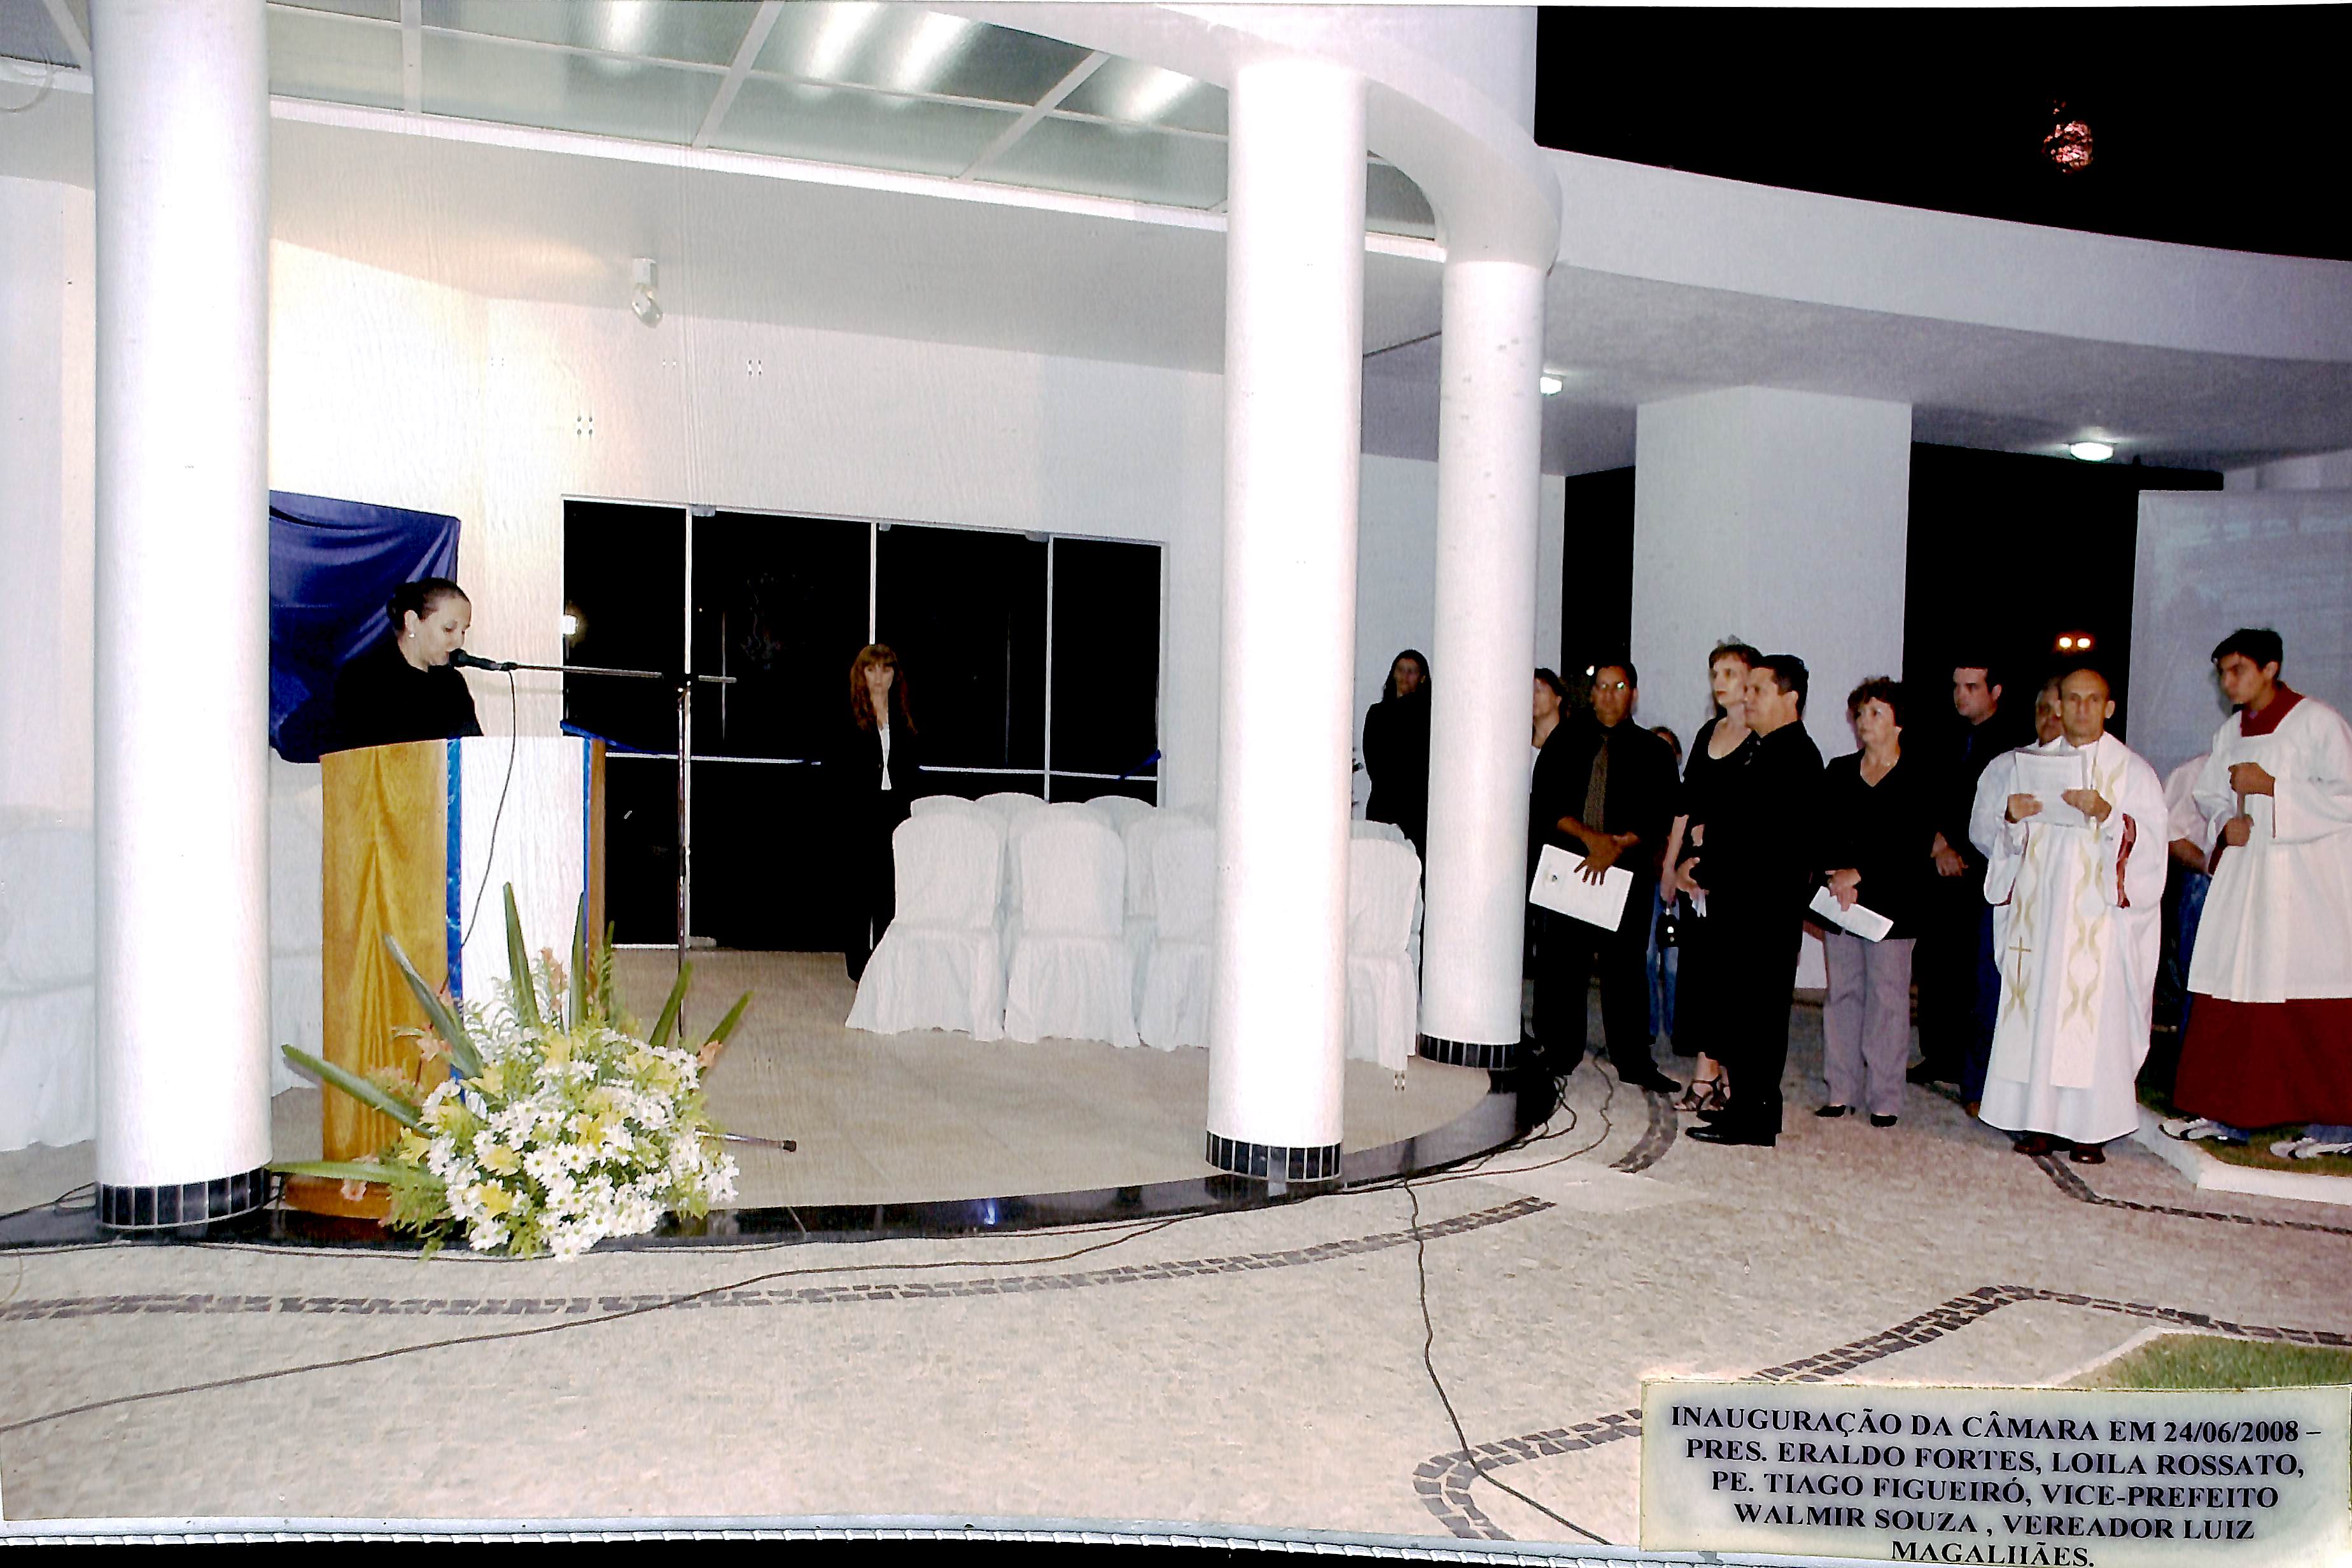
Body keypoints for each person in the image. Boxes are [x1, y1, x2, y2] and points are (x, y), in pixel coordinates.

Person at [2165, 630, 2352, 1159]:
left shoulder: (2317, 723)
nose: (2228, 683)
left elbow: (2347, 796)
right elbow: (2210, 794)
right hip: (2249, 883)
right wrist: (2226, 823)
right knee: (2234, 985)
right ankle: (2231, 1113)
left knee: (2312, 997)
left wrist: (2273, 788)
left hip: (2307, 884)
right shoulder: (2232, 731)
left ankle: (2337, 1126)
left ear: (2271, 668)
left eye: (2238, 671)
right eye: (2222, 673)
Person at [1968, 666, 2166, 1164]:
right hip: (2039, 917)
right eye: (2071, 699)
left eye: (2091, 699)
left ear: (2108, 708)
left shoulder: (2133, 773)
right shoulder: (2032, 765)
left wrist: (2107, 815)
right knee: (2037, 1016)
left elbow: (2151, 851)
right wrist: (2012, 818)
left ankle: (2089, 1130)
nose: (2080, 709)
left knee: (2092, 1023)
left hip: (2098, 923)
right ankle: (2038, 1121)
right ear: (2058, 706)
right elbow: (1999, 842)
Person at [1686, 654, 1823, 1147]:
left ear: (1791, 698)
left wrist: (1713, 844)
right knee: (1742, 1013)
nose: (1747, 698)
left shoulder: (1796, 756)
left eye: (1758, 690)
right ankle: (1749, 1108)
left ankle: (1754, 1117)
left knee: (1758, 1017)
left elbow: (1769, 839)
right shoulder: (1765, 750)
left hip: (1764, 911)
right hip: (1743, 905)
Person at [1529, 660, 1681, 1095]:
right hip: (1572, 866)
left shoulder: (1653, 751)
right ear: (1590, 693)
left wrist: (1617, 844)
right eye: (1602, 687)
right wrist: (1591, 840)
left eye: (1619, 686)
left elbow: (1661, 812)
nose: (1610, 696)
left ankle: (1633, 1060)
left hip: (1626, 872)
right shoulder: (1564, 741)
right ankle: (1560, 1050)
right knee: (1562, 963)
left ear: (1633, 693)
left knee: (1627, 967)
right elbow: (1546, 803)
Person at [1815, 678, 1936, 1128]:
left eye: (1876, 713)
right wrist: (1838, 877)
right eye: (1861, 713)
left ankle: (1885, 1096)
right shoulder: (1839, 771)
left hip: (1893, 904)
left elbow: (1913, 844)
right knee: (1842, 994)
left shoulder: (1918, 775)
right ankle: (1841, 1090)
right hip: (1842, 901)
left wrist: (1860, 873)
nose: (1865, 722)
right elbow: (1823, 831)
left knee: (1887, 1000)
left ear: (1898, 723)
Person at [1912, 659, 2026, 1100]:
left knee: (1970, 967)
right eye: (1957, 686)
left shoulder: (2014, 745)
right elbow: (1925, 794)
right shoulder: (1943, 736)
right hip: (1938, 861)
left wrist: (1959, 850)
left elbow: (1996, 813)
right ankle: (1937, 1053)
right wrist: (1937, 844)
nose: (1961, 695)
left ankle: (1967, 1062)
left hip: (1980, 869)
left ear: (1995, 692)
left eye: (1972, 687)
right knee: (1934, 961)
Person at [1663, 641, 1763, 1114]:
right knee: (1701, 976)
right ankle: (1708, 1075)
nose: (1720, 682)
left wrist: (1712, 847)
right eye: (1715, 673)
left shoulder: (1761, 741)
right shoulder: (1708, 733)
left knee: (1729, 980)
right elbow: (1686, 807)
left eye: (1730, 673)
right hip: (1697, 874)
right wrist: (1671, 866)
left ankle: (1722, 1079)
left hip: (1736, 877)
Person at [831, 644, 923, 984]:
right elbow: (838, 770)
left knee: (889, 892)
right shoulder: (849, 717)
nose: (879, 678)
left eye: (886, 670)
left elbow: (911, 769)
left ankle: (884, 967)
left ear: (895, 675)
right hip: (860, 811)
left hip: (894, 810)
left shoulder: (904, 717)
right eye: (872, 670)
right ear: (862, 675)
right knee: (859, 894)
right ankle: (858, 969)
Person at [330, 576, 485, 752]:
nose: (459, 642)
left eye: (463, 631)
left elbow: (473, 752)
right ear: (412, 622)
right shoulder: (361, 678)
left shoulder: (452, 684)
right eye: (449, 629)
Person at [1364, 650, 1433, 860]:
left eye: (1412, 671)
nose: (1405, 676)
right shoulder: (1377, 714)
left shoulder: (1429, 716)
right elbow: (1374, 763)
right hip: (1383, 806)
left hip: (1416, 811)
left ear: (1422, 678)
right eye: (1401, 670)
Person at [1646, 724, 1684, 1047]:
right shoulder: (1638, 795)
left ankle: (1677, 1029)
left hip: (1679, 890)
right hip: (1646, 885)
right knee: (1645, 958)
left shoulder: (1686, 796)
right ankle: (1647, 1027)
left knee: (1675, 963)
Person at [1532, 668, 1568, 776]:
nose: (1533, 696)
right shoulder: (1521, 746)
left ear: (1558, 699)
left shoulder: (1571, 745)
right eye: (1531, 690)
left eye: (1539, 690)